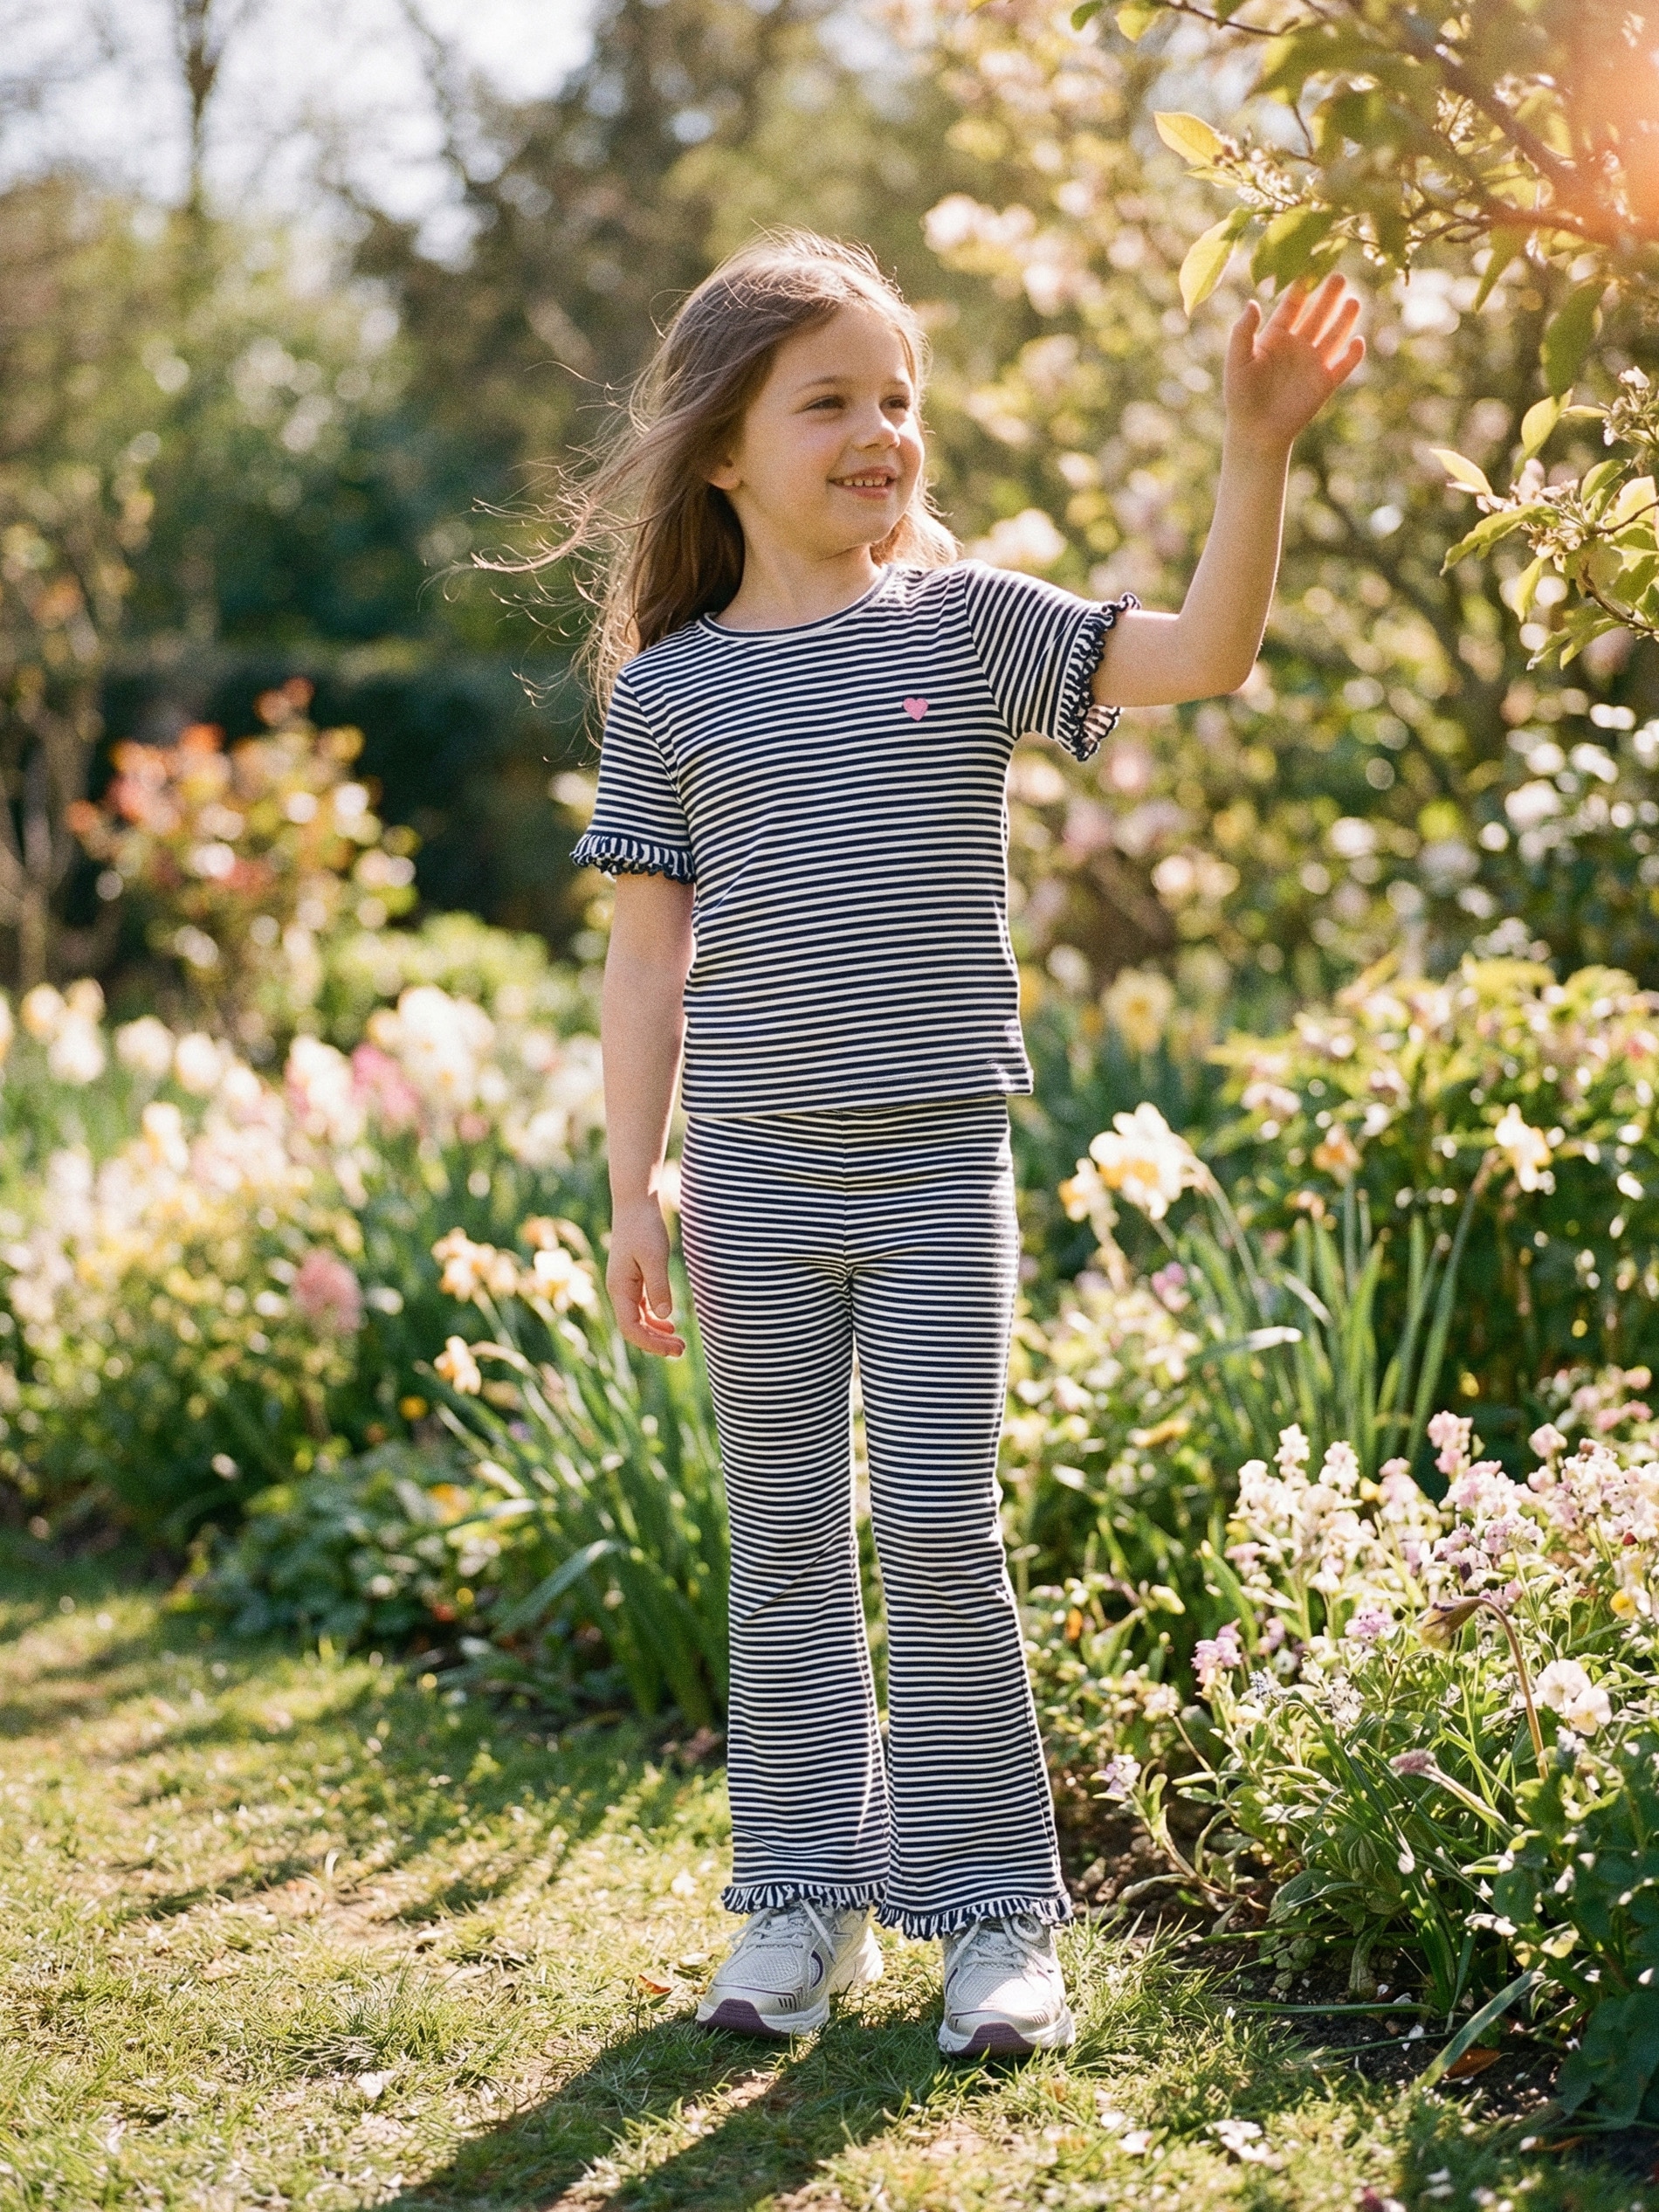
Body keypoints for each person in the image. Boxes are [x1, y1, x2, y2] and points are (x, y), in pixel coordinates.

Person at [557, 231, 1362, 2057]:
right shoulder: (670, 691)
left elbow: (1208, 654)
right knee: (776, 1543)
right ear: (719, 450)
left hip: (935, 1169)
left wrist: (1256, 451)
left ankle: (992, 1920)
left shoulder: (974, 625)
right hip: (750, 1178)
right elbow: (642, 964)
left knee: (932, 1526)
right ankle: (795, 1903)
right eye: (827, 399)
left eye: (897, 398)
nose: (878, 431)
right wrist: (633, 1183)